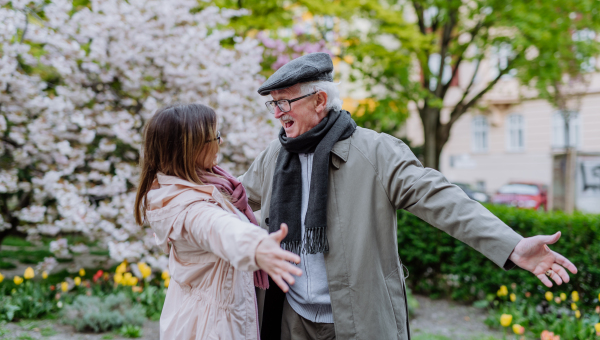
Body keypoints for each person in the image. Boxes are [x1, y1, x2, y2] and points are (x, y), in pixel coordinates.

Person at [239, 52, 578, 340]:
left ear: (319, 100)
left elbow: (443, 199)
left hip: (358, 321)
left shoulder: (376, 152)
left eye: (285, 101)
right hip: (290, 317)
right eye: (274, 103)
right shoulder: (275, 156)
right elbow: (233, 197)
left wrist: (513, 245)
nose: (278, 112)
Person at [133, 103, 302, 340]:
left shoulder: (200, 184)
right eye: (215, 136)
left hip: (201, 317)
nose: (219, 142)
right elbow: (218, 228)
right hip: (210, 328)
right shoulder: (187, 208)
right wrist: (257, 246)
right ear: (190, 149)